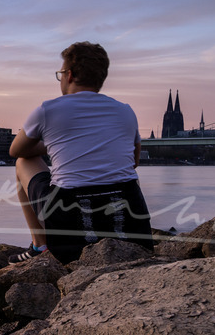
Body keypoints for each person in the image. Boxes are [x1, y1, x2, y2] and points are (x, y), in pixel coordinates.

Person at [8, 41, 153, 264]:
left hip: (70, 225)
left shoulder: (48, 110)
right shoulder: (126, 111)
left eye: (60, 74)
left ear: (70, 75)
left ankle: (40, 245)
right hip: (132, 226)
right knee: (125, 176)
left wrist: (58, 143)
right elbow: (133, 162)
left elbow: (16, 150)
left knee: (22, 163)